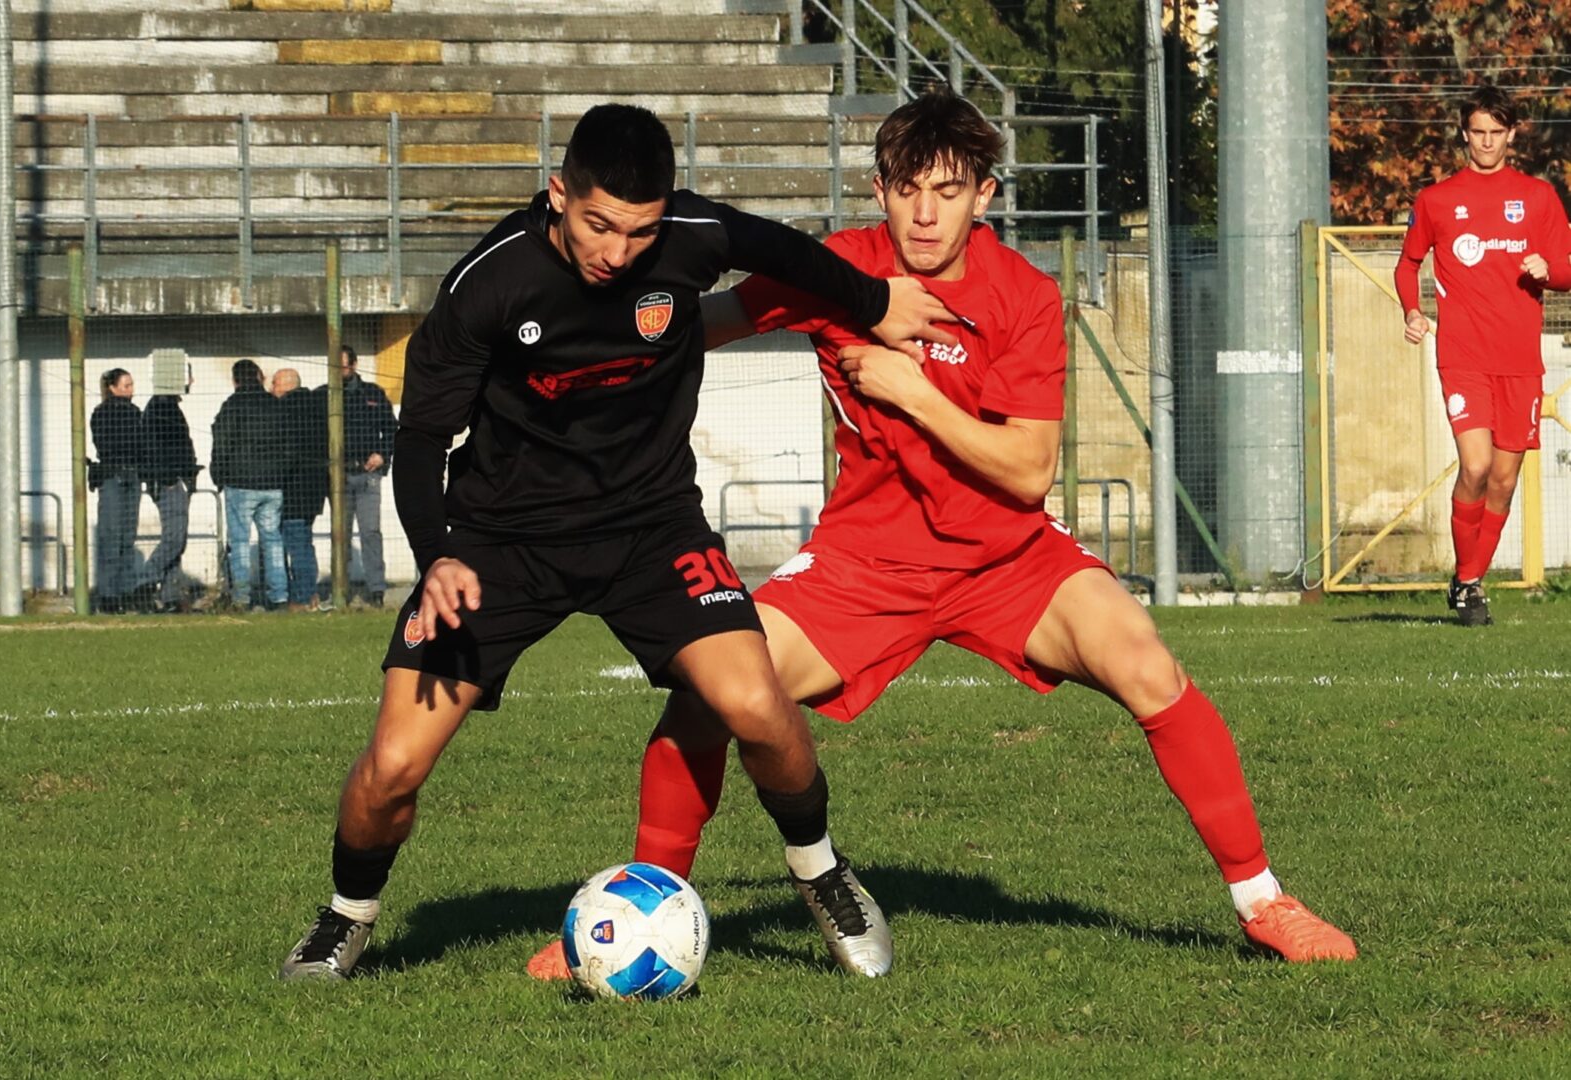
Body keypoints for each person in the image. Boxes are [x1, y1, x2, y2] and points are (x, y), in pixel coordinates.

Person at [527, 88, 1357, 980]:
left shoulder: (1023, 295)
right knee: (712, 696)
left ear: (984, 195)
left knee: (1146, 665)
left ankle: (1264, 902)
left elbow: (1027, 470)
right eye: (907, 189)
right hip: (864, 563)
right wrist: (573, 347)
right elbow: (694, 327)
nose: (925, 214)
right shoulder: (835, 270)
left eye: (949, 191)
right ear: (879, 190)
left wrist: (911, 391)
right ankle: (640, 912)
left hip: (1007, 557)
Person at [278, 102, 956, 981]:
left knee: (757, 707)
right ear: (558, 194)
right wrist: (436, 550)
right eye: (599, 225)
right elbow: (421, 439)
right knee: (393, 766)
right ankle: (346, 916)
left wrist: (875, 303)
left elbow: (785, 252)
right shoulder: (489, 281)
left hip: (650, 527)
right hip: (498, 545)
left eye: (639, 232)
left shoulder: (689, 236)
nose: (618, 251)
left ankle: (822, 874)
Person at [1396, 84, 1571, 626]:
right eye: (1478, 132)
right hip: (1463, 356)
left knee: (1503, 479)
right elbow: (1408, 263)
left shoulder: (1538, 197)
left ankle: (1468, 579)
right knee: (1475, 466)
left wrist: (1550, 271)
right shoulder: (1437, 200)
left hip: (1520, 362)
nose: (1487, 142)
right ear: (1464, 134)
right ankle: (1471, 585)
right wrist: (1411, 310)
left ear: (1512, 134)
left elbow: (1567, 268)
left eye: (1497, 132)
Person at [210, 359, 289, 611]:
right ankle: (279, 596)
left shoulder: (232, 406)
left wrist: (218, 475)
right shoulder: (275, 405)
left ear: (235, 380)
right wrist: (282, 474)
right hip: (273, 483)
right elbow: (288, 442)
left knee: (240, 541)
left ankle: (241, 597)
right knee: (273, 540)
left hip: (240, 482)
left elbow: (221, 443)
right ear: (259, 376)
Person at [138, 369, 200, 614]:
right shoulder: (161, 408)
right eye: (188, 376)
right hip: (168, 482)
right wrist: (170, 478)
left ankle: (171, 595)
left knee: (176, 538)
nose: (191, 381)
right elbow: (155, 446)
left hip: (173, 480)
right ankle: (144, 582)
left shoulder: (165, 406)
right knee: (175, 538)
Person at [339, 345, 396, 608]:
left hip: (368, 473)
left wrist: (382, 455)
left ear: (354, 364)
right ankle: (342, 589)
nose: (340, 370)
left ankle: (376, 590)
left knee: (370, 531)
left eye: (343, 365)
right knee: (340, 533)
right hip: (339, 475)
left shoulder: (373, 393)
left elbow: (392, 429)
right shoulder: (325, 395)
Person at [271, 368, 328, 612]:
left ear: (285, 385)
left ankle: (302, 596)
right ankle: (309, 593)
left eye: (274, 383)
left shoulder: (284, 410)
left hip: (292, 487)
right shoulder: (319, 407)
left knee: (296, 544)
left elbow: (285, 451)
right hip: (315, 486)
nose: (271, 388)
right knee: (304, 541)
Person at [89, 368, 145, 614]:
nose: (131, 390)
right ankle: (109, 594)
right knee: (112, 536)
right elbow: (107, 444)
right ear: (112, 388)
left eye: (131, 385)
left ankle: (125, 591)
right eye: (126, 386)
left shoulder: (135, 412)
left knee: (127, 536)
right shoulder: (102, 413)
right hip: (113, 475)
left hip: (131, 473)